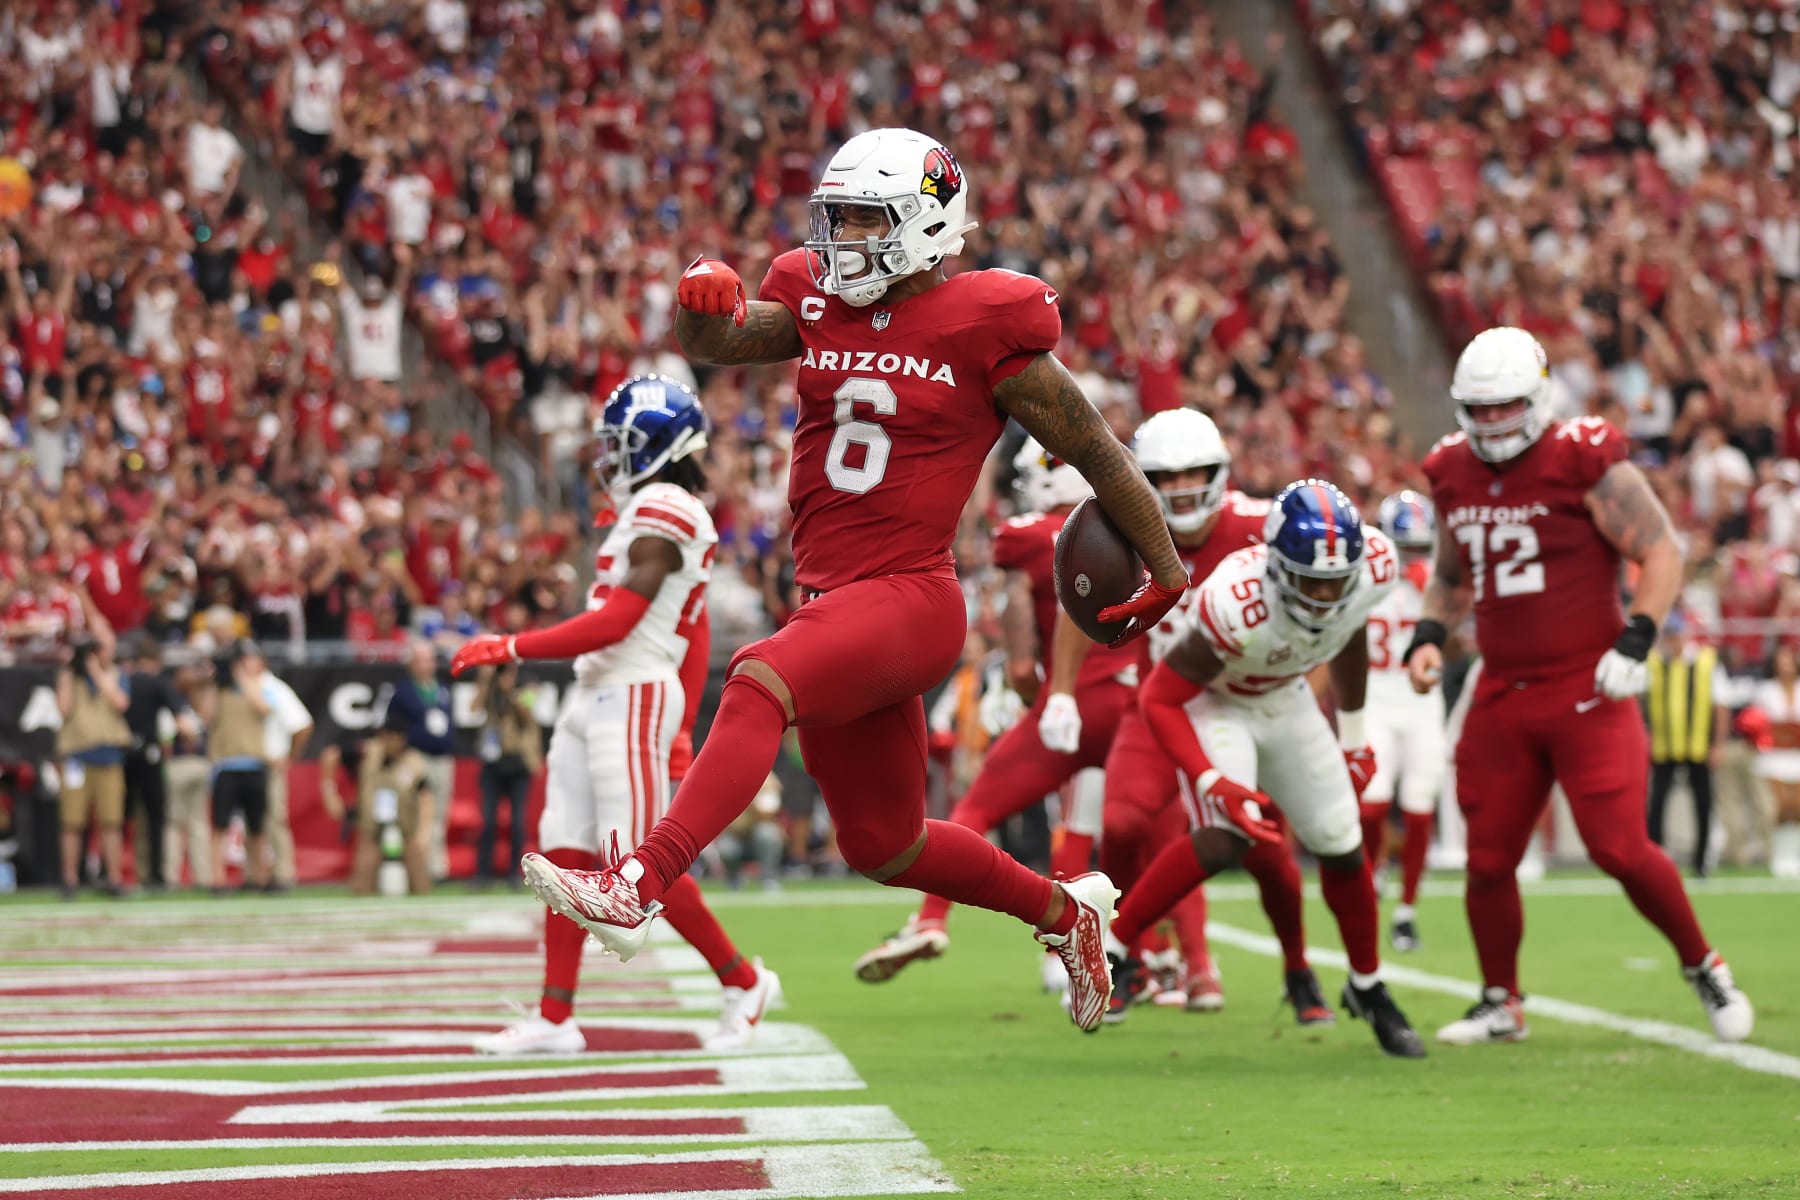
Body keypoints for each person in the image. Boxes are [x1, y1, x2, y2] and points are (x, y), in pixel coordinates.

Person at [512, 128, 1186, 1034]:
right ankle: (1067, 916)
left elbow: (1101, 454)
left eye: (866, 219)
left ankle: (637, 882)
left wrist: (1168, 568)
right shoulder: (818, 295)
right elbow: (722, 340)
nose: (842, 240)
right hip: (833, 602)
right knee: (886, 844)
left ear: (925, 224)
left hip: (911, 594)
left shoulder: (992, 323)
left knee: (757, 677)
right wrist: (699, 306)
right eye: (836, 218)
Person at [1406, 326, 1753, 1045]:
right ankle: (1501, 999)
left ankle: (1704, 964)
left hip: (1587, 685)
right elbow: (1449, 571)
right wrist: (1428, 637)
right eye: (1481, 409)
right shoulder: (1451, 470)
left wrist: (1639, 635)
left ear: (1537, 399)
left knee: (1619, 847)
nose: (1494, 422)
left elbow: (1659, 546)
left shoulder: (1582, 457)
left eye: (1507, 407)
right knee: (1488, 858)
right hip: (1503, 691)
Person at [459, 376, 780, 1054]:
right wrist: (688, 724)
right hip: (597, 691)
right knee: (563, 854)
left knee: (634, 872)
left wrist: (512, 645)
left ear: (657, 446)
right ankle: (555, 1018)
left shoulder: (670, 504)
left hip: (632, 688)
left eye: (620, 443)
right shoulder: (648, 509)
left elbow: (622, 621)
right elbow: (689, 630)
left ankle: (742, 979)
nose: (608, 456)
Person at [1113, 480, 1427, 1058]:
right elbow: (1159, 698)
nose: (1329, 593)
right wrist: (1212, 779)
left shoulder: (1374, 565)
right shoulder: (1236, 601)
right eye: (1314, 580)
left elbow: (1348, 630)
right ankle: (1111, 943)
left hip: (1284, 698)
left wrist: (1354, 737)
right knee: (1225, 839)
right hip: (1218, 701)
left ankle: (1367, 985)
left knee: (1339, 838)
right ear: (1279, 568)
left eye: (1339, 579)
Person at [1042, 409, 1321, 1021]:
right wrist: (1060, 690)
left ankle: (1298, 968)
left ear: (1220, 473)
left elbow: (1321, 592)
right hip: (1159, 702)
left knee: (1268, 853)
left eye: (1194, 474)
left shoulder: (1260, 525)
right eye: (1163, 478)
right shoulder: (1119, 529)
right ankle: (1123, 957)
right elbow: (1076, 606)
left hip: (1245, 701)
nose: (1180, 489)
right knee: (1119, 823)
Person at [851, 437, 1139, 992]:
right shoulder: (1136, 525)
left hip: (1070, 700)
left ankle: (933, 918)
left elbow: (1023, 641)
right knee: (1115, 827)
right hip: (1133, 706)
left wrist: (1029, 689)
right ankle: (1187, 967)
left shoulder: (1028, 537)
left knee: (976, 805)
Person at [1362, 491, 1445, 951]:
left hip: (1421, 704)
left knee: (1418, 808)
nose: (1412, 557)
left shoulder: (1435, 582)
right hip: (1376, 700)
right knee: (1372, 806)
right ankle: (1376, 870)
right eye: (1404, 547)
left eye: (1419, 547)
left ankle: (1408, 909)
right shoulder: (1365, 576)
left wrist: (1434, 604)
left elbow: (1458, 646)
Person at [1644, 614, 1730, 877]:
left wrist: (1717, 744)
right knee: (1656, 805)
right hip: (1665, 746)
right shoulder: (1655, 663)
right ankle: (1655, 861)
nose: (1673, 641)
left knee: (1702, 805)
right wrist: (1646, 735)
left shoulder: (1707, 662)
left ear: (1686, 635)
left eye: (1676, 634)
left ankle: (1702, 862)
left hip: (1698, 746)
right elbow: (1641, 702)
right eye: (1668, 635)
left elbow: (1721, 706)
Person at [197, 640, 279, 894]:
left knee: (257, 826)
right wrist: (214, 682)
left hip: (254, 763)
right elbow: (206, 717)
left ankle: (261, 877)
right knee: (220, 825)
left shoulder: (259, 686)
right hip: (226, 764)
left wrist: (242, 676)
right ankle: (218, 878)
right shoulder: (218, 691)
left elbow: (264, 709)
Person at [56, 635, 133, 899]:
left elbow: (120, 703)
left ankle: (113, 878)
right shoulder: (70, 677)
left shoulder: (115, 674)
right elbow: (63, 710)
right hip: (76, 755)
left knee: (111, 822)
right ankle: (70, 879)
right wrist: (69, 671)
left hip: (109, 756)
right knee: (71, 823)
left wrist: (95, 671)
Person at [121, 635, 196, 891]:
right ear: (157, 661)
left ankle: (114, 873)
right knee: (155, 818)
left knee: (119, 819)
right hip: (150, 756)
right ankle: (155, 875)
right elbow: (182, 719)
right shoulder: (157, 683)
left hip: (122, 754)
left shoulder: (124, 681)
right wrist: (190, 735)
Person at [346, 705, 434, 896]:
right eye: (386, 736)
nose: (389, 742)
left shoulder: (414, 761)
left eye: (394, 737)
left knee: (420, 882)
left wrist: (423, 831)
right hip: (372, 827)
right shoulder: (368, 752)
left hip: (406, 828)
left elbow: (425, 797)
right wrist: (330, 793)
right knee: (363, 881)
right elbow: (333, 755)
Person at [388, 639, 456, 878]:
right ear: (411, 663)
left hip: (442, 757)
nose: (426, 665)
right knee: (415, 813)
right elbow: (392, 728)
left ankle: (436, 866)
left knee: (439, 813)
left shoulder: (443, 688)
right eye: (420, 660)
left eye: (429, 659)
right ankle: (415, 867)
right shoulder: (403, 690)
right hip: (416, 757)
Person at [472, 662, 542, 887]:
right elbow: (473, 708)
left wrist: (512, 691)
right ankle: (483, 874)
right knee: (488, 820)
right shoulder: (491, 692)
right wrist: (484, 682)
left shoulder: (527, 685)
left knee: (517, 822)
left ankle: (514, 872)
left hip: (518, 762)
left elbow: (527, 712)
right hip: (493, 763)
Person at [257, 652, 314, 893]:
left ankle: (283, 873)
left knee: (274, 818)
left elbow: (302, 724)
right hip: (242, 763)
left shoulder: (273, 688)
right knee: (251, 823)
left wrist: (290, 756)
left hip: (269, 764)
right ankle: (257, 874)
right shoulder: (237, 686)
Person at [1751, 642, 1800, 877]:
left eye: (1789, 661)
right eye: (1781, 662)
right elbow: (1758, 722)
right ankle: (1780, 855)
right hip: (1775, 755)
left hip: (1797, 755)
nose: (1785, 666)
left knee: (1797, 806)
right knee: (1781, 805)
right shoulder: (1766, 690)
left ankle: (1794, 853)